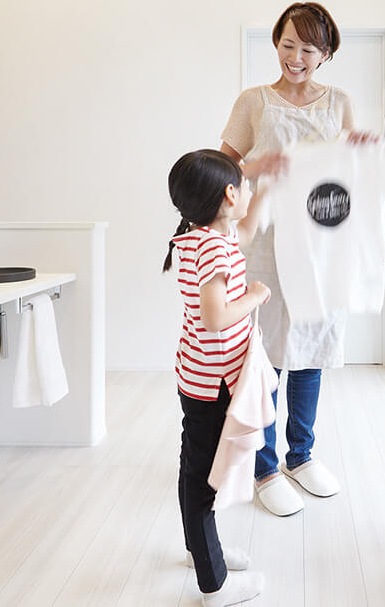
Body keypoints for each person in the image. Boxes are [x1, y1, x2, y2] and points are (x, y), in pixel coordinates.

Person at [220, 2, 375, 517]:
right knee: (263, 357)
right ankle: (263, 467)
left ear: (325, 53)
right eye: (288, 44)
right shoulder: (254, 103)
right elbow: (217, 171)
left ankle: (301, 456)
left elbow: (351, 174)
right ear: (276, 43)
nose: (295, 57)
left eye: (308, 48)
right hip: (264, 246)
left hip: (321, 246)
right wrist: (254, 169)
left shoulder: (340, 103)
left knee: (311, 350)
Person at [164, 149, 271, 607]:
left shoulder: (198, 237)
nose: (247, 192)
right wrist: (256, 295)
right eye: (243, 186)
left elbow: (243, 232)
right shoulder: (212, 247)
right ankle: (215, 584)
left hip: (200, 375)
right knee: (204, 479)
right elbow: (215, 318)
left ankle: (199, 550)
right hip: (213, 383)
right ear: (229, 195)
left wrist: (265, 184)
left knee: (196, 469)